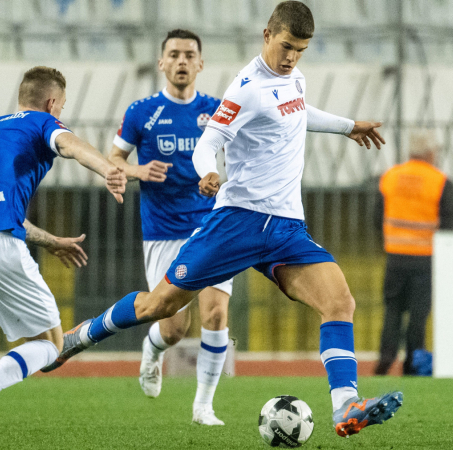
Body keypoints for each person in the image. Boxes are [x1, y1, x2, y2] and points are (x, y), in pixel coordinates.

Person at [47, 1, 402, 439]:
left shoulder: (294, 78)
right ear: (267, 34)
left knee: (340, 302)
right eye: (286, 46)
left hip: (286, 228)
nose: (292, 57)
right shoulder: (245, 88)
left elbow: (297, 110)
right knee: (161, 308)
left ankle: (346, 406)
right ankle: (78, 338)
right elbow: (207, 142)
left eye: (301, 50)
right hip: (238, 222)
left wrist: (347, 126)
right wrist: (207, 172)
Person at [0, 66, 126, 450]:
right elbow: (72, 145)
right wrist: (108, 169)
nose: (61, 113)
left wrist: (50, 240)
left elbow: (2, 209)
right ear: (52, 102)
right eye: (61, 107)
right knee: (50, 345)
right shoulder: (42, 123)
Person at [107, 29, 233, 426]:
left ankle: (203, 407)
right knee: (175, 327)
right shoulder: (141, 112)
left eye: (189, 55)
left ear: (200, 64)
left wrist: (218, 178)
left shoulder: (217, 110)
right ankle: (153, 349)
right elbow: (114, 160)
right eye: (174, 54)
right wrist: (138, 170)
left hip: (211, 225)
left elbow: (238, 156)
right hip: (163, 231)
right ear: (161, 62)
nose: (182, 61)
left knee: (216, 314)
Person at [374, 130, 453, 376]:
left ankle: (385, 359)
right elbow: (451, 224)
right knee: (418, 315)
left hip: (395, 256)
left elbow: (376, 216)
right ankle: (412, 364)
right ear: (431, 153)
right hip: (425, 258)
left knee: (392, 310)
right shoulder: (440, 181)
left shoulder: (390, 176)